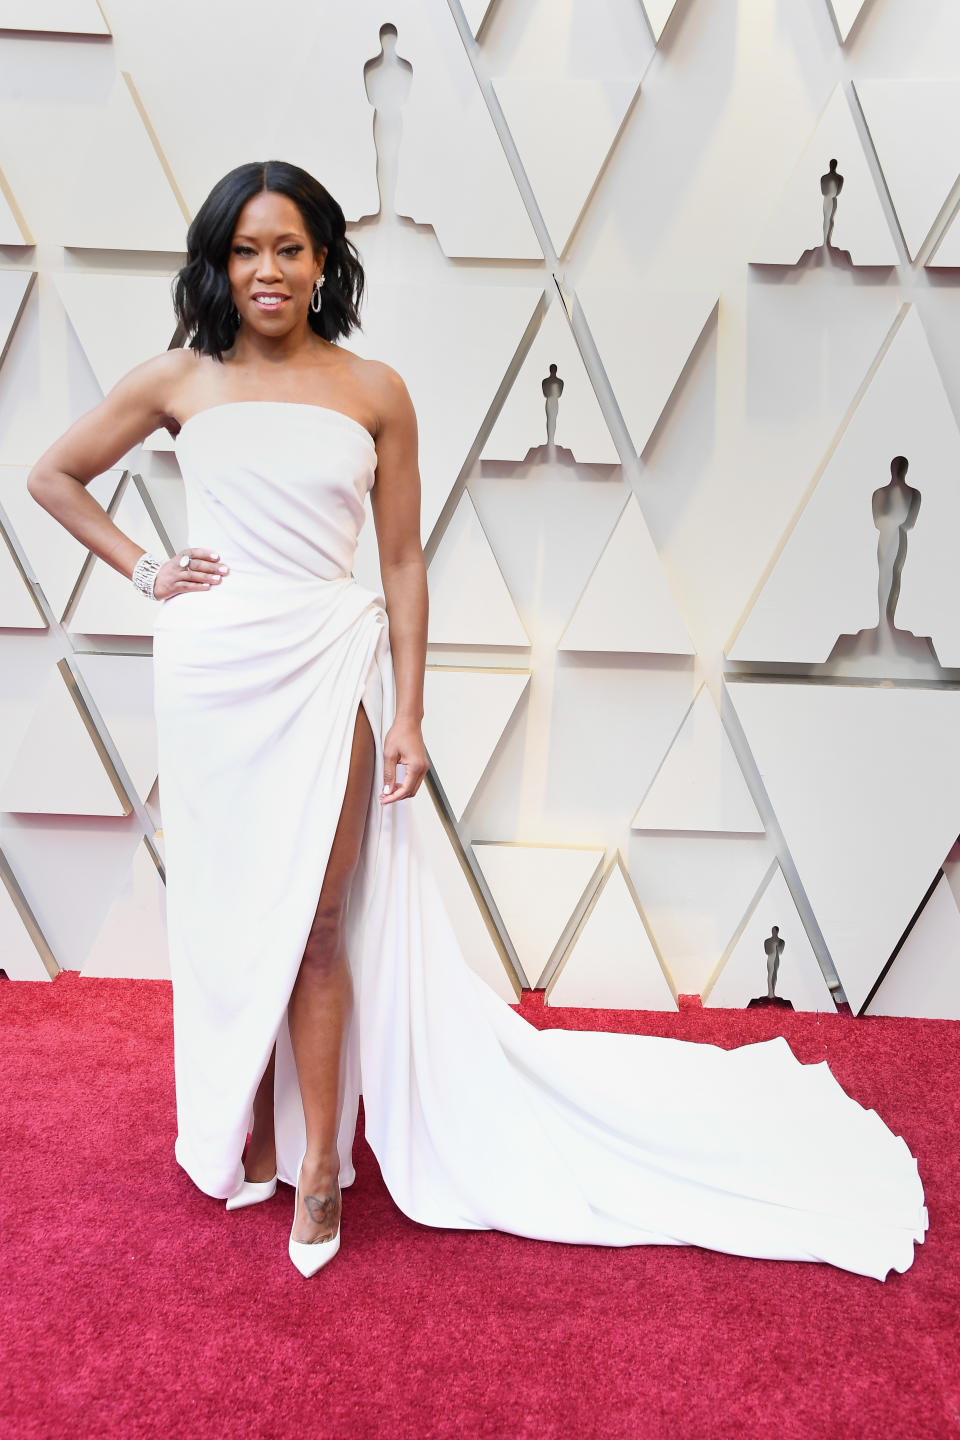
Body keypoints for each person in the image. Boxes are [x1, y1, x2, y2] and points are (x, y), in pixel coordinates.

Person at [27, 160, 927, 1282]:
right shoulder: (178, 379)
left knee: (313, 924)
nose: (267, 270)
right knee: (227, 918)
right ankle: (243, 1131)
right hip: (213, 679)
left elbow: (401, 561)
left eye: (289, 247)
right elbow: (51, 476)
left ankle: (317, 1167)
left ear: (323, 261)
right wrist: (148, 568)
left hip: (325, 668)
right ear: (218, 263)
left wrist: (407, 714)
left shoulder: (373, 391)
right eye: (245, 250)